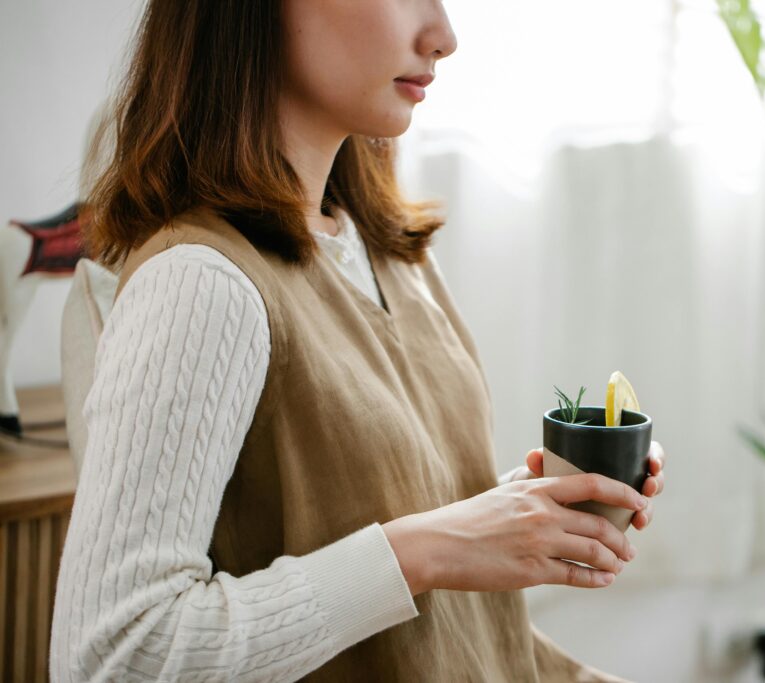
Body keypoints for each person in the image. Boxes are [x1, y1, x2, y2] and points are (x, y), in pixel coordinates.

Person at [49, 0, 668, 680]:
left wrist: (520, 510)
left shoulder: (390, 254)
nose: (444, 37)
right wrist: (425, 549)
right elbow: (112, 655)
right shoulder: (200, 284)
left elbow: (374, 514)